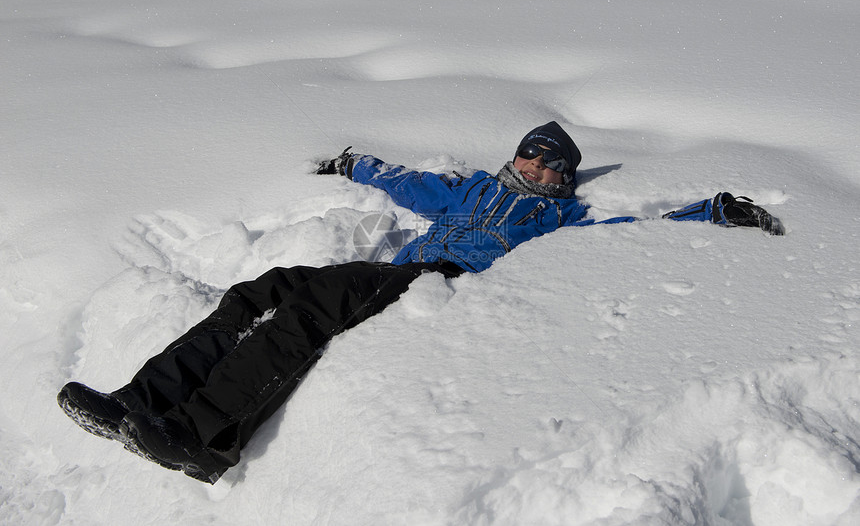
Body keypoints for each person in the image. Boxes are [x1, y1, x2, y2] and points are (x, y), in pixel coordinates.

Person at [57, 121, 783, 484]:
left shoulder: (557, 219)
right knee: (263, 290)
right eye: (531, 152)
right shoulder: (473, 187)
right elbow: (406, 183)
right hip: (392, 271)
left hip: (435, 286)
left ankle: (202, 436)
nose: (536, 165)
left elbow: (633, 227)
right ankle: (143, 401)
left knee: (316, 306)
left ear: (565, 179)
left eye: (552, 163)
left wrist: (711, 210)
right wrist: (352, 162)